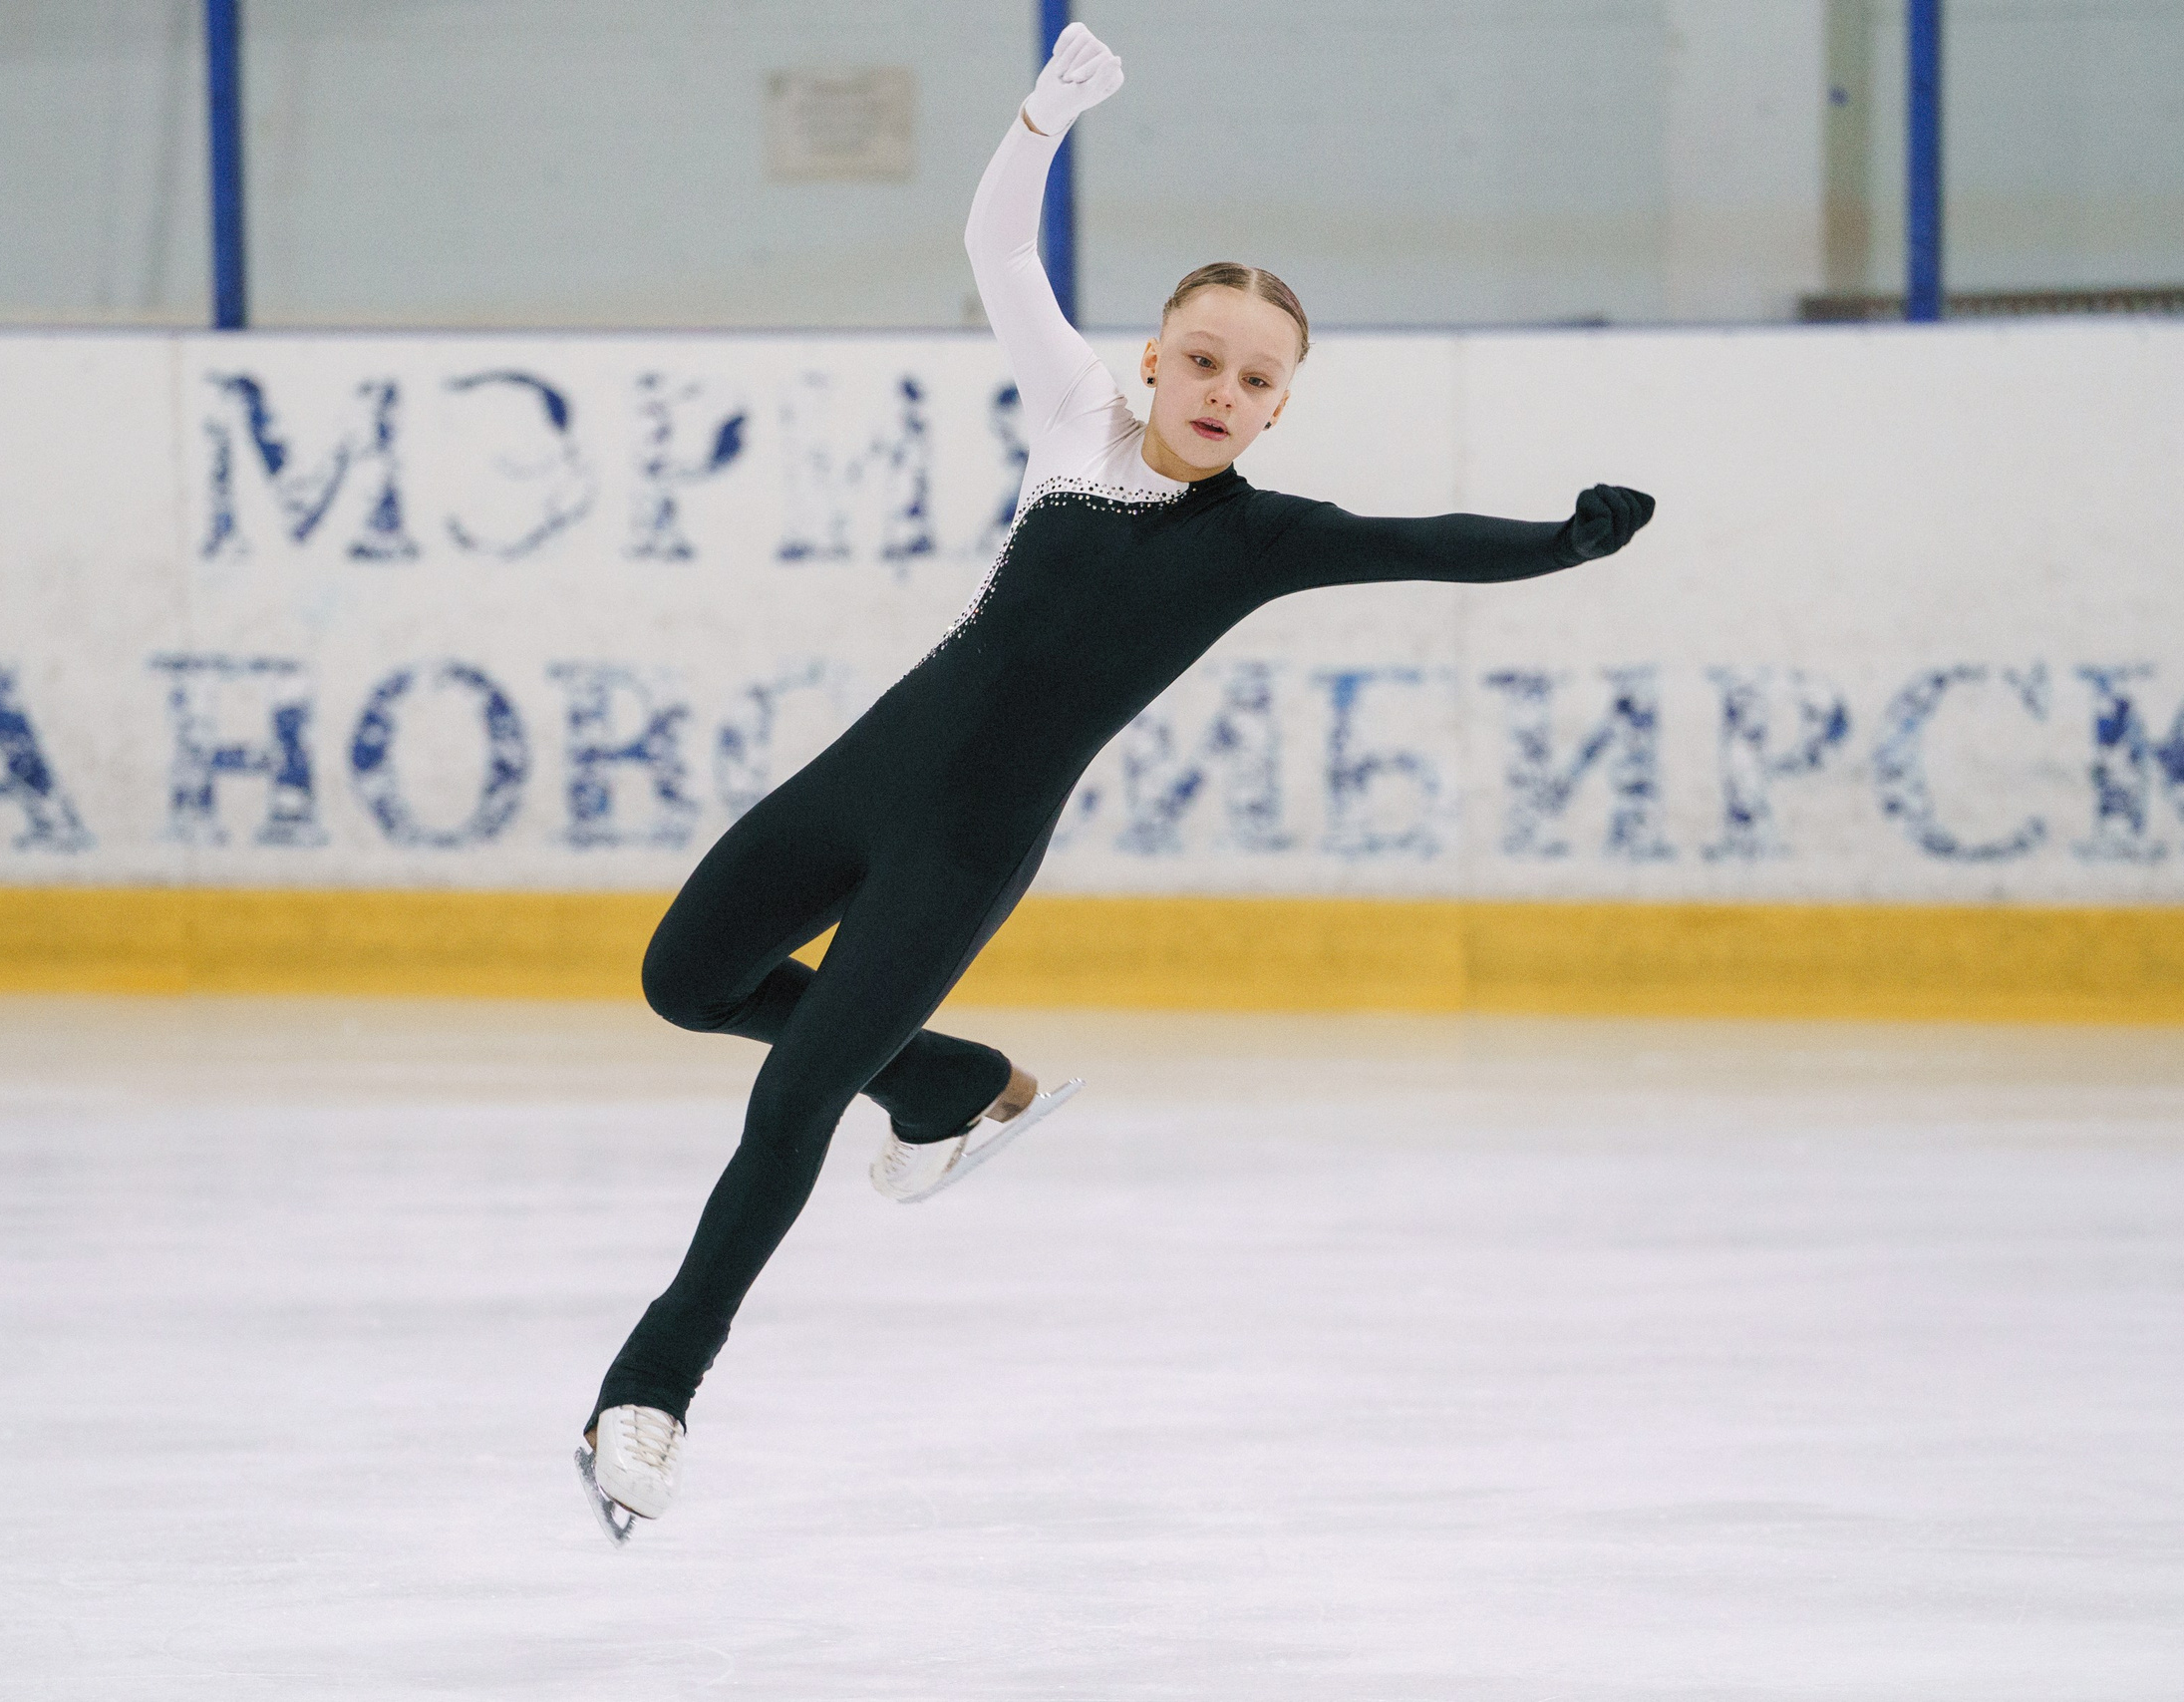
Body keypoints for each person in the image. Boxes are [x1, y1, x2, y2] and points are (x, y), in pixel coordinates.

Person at [576, 21, 1654, 1543]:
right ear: (1155, 360)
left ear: (1283, 407)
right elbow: (994, 244)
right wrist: (1044, 113)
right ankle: (947, 1080)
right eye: (1202, 358)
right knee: (685, 978)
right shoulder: (1074, 421)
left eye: (1257, 379)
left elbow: (1434, 539)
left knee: (795, 1092)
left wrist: (1565, 539)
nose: (1222, 389)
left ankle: (650, 1394)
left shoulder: (1268, 540)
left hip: (971, 849)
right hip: (859, 781)